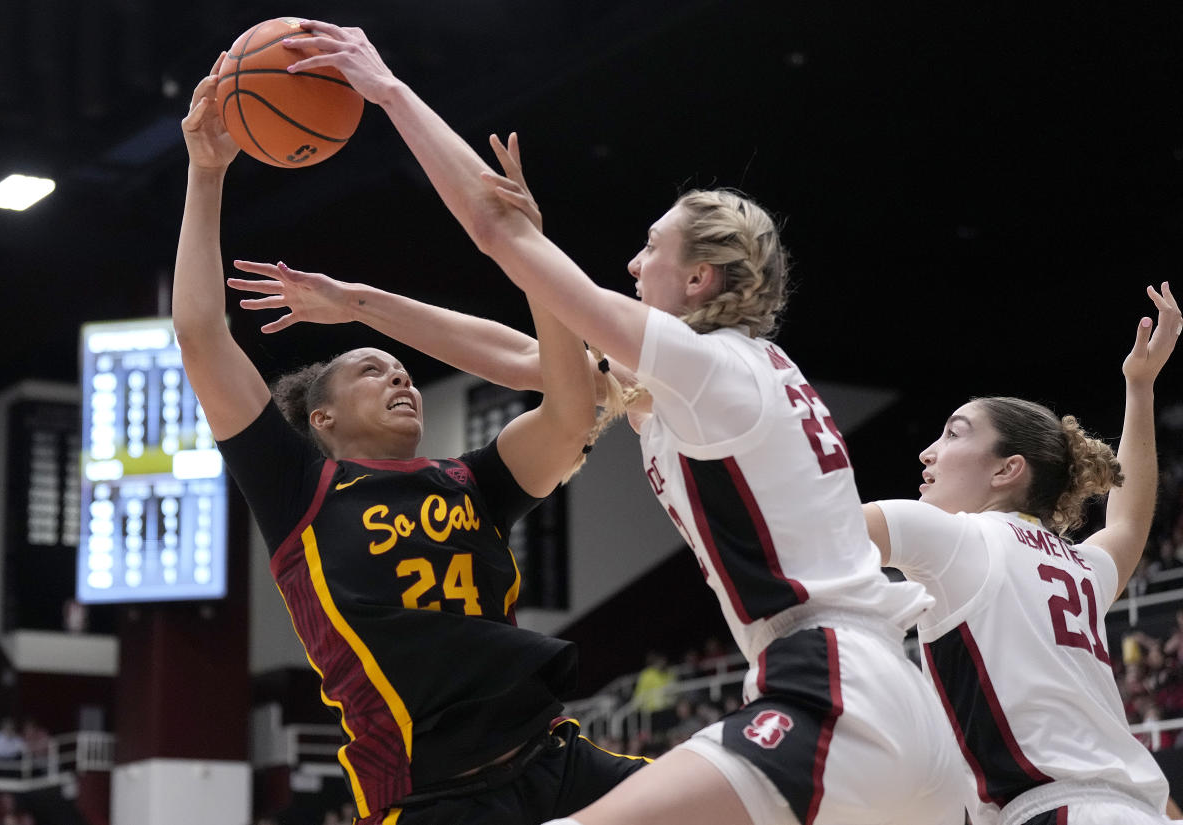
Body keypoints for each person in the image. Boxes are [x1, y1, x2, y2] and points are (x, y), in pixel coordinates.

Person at [235, 20, 965, 825]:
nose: (631, 264)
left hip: (832, 682)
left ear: (697, 275)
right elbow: (525, 357)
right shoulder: (712, 377)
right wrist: (355, 303)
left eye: (649, 249)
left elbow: (497, 232)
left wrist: (388, 89)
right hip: (895, 692)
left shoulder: (699, 363)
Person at [174, 56, 647, 825]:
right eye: (371, 369)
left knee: (743, 796)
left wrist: (535, 258)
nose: (401, 379)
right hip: (430, 799)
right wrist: (206, 173)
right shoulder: (299, 490)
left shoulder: (470, 482)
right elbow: (199, 333)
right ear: (320, 418)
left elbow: (567, 411)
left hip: (553, 760)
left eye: (403, 372)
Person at [863, 284, 1181, 824]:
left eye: (952, 434)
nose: (927, 451)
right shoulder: (1080, 565)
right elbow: (1127, 522)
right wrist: (1141, 388)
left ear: (1007, 469)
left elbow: (806, 526)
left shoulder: (954, 536)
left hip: (1053, 810)